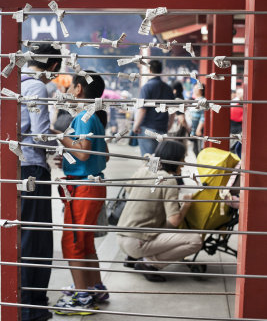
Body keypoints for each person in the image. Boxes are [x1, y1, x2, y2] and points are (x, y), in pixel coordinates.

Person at [53, 72, 109, 316]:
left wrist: (62, 138)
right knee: (85, 241)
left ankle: (83, 296)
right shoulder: (94, 116)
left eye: (70, 85)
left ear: (78, 90)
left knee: (73, 242)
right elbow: (103, 155)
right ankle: (94, 286)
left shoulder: (83, 117)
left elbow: (84, 154)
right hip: (92, 185)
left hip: (83, 187)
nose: (67, 89)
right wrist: (68, 157)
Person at [117, 140, 202, 282]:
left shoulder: (143, 171)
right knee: (195, 241)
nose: (184, 163)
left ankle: (133, 258)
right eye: (183, 158)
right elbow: (174, 220)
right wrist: (186, 204)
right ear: (174, 159)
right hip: (138, 243)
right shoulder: (169, 180)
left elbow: (128, 189)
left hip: (121, 238)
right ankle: (149, 263)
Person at [21, 43, 62, 321]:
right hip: (32, 169)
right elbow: (39, 134)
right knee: (35, 239)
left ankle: (19, 301)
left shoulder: (12, 80)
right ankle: (31, 307)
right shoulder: (36, 87)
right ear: (53, 67)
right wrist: (63, 143)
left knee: (19, 235)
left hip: (12, 168)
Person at [133, 60, 175, 156]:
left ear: (149, 70)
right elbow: (173, 110)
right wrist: (170, 125)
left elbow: (142, 109)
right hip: (162, 129)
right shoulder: (168, 88)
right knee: (159, 159)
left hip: (147, 129)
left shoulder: (147, 87)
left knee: (149, 160)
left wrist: (136, 125)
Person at [189, 83, 205, 157]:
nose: (194, 90)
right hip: (193, 130)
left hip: (198, 130)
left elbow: (203, 115)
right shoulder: (195, 100)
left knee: (198, 150)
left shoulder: (203, 101)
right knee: (195, 149)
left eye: (196, 88)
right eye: (194, 88)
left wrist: (199, 129)